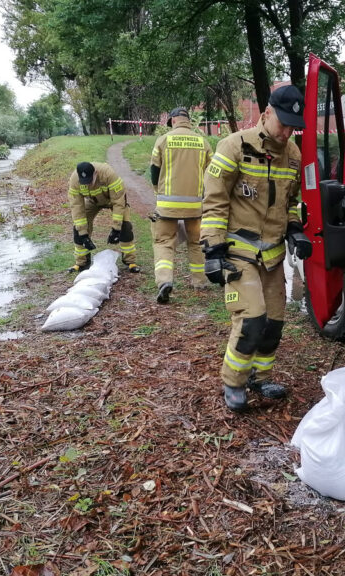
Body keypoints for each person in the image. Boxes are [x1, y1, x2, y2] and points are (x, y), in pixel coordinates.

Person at [200, 85, 312, 411]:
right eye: (284, 123)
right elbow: (215, 202)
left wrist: (295, 230)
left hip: (273, 257)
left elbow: (291, 204)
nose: (288, 132)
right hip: (238, 252)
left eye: (294, 126)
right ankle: (233, 382)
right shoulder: (234, 146)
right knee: (251, 320)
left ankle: (258, 379)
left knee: (274, 324)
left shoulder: (293, 156)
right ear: (266, 113)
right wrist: (213, 250)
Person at [149, 108, 214, 303]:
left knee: (163, 243)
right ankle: (200, 281)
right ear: (188, 120)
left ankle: (164, 281)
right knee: (196, 242)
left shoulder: (163, 141)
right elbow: (212, 173)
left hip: (167, 205)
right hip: (195, 206)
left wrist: (156, 191)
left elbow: (154, 171)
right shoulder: (203, 142)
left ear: (173, 120)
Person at [67, 161, 140, 273]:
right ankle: (81, 263)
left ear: (95, 173)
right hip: (93, 201)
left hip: (112, 200)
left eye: (90, 181)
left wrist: (116, 229)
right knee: (78, 228)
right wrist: (83, 234)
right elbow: (77, 207)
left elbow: (118, 202)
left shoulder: (108, 174)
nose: (87, 184)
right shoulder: (74, 180)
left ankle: (130, 261)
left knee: (125, 226)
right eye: (84, 182)